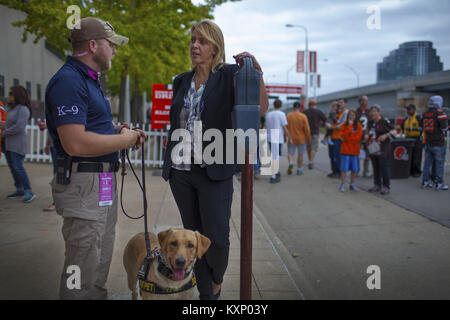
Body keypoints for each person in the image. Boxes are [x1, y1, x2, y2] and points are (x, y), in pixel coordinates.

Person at [161, 19, 268, 300]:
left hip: (214, 170)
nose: (195, 45)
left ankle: (216, 281)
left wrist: (256, 72)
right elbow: (176, 124)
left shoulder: (230, 76)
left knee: (216, 240)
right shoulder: (181, 81)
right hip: (181, 172)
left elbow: (259, 107)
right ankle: (208, 296)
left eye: (202, 41)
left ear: (215, 48)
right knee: (193, 241)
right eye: (192, 40)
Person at [45, 17, 145, 300]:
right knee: (81, 264)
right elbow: (74, 142)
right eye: (110, 45)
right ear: (92, 45)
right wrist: (124, 139)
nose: (114, 51)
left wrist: (119, 131)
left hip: (99, 181)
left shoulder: (88, 80)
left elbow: (90, 126)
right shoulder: (68, 81)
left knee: (98, 255)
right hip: (83, 182)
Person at [0, 86, 36, 202]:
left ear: (17, 95)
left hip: (16, 144)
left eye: (11, 94)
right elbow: (9, 123)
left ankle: (28, 191)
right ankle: (19, 189)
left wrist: (4, 132)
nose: (9, 96)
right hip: (7, 143)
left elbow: (19, 127)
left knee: (18, 167)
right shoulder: (10, 108)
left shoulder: (23, 109)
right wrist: (3, 124)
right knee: (13, 167)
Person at [365, 104, 396, 195]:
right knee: (375, 167)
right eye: (371, 111)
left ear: (379, 112)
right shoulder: (370, 122)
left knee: (384, 167)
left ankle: (386, 186)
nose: (372, 113)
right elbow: (368, 132)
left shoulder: (385, 121)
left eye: (374, 111)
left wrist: (386, 135)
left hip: (383, 148)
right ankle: (377, 184)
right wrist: (367, 136)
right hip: (373, 147)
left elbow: (395, 131)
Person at [421, 95, 448, 190]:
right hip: (438, 142)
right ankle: (439, 183)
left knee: (427, 163)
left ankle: (425, 181)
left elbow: (421, 127)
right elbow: (444, 128)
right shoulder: (440, 113)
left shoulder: (424, 113)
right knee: (439, 164)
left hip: (428, 141)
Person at [265, 99, 291, 183]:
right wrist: (289, 137)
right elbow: (284, 127)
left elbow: (265, 126)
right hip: (277, 136)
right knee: (276, 156)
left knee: (275, 155)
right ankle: (273, 175)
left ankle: (276, 171)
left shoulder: (268, 114)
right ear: (281, 105)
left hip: (270, 136)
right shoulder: (281, 114)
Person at [339, 109, 363, 192]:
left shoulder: (359, 126)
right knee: (344, 169)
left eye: (353, 115)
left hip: (354, 151)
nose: (352, 116)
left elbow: (358, 138)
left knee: (354, 169)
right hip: (345, 151)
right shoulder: (344, 125)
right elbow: (342, 137)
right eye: (350, 115)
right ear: (348, 116)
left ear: (356, 116)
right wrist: (349, 128)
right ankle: (342, 184)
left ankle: (352, 184)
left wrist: (349, 138)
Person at [286, 101, 311, 175]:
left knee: (290, 153)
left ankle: (291, 162)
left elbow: (285, 128)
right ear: (299, 107)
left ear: (293, 107)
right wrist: (308, 138)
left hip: (291, 138)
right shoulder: (303, 116)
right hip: (301, 139)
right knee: (300, 154)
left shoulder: (288, 116)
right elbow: (307, 129)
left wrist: (285, 137)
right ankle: (299, 169)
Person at [327, 98, 348, 178]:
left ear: (346, 104)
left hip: (339, 137)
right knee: (331, 155)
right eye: (339, 102)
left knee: (337, 155)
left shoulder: (346, 113)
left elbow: (342, 125)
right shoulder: (336, 112)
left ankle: (338, 172)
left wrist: (332, 127)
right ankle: (334, 171)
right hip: (332, 136)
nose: (340, 104)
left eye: (342, 102)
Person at [303, 99, 326, 170]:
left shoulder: (305, 112)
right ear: (314, 105)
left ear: (309, 104)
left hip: (306, 132)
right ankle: (311, 161)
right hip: (315, 131)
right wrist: (321, 125)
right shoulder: (318, 111)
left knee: (308, 147)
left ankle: (310, 161)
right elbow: (325, 119)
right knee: (314, 147)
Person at [401, 104, 423, 177]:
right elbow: (401, 125)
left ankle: (416, 171)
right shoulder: (406, 118)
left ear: (413, 109)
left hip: (416, 138)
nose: (408, 111)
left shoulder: (418, 117)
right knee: (409, 155)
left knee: (416, 155)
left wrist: (412, 129)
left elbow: (421, 128)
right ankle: (410, 170)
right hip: (408, 138)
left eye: (409, 109)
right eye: (407, 109)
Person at [356, 95, 371, 177]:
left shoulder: (370, 112)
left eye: (367, 100)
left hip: (367, 136)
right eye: (364, 100)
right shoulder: (356, 112)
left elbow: (371, 124)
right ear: (360, 102)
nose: (366, 102)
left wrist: (368, 134)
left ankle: (366, 171)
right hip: (358, 136)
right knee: (357, 154)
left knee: (367, 154)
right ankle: (357, 170)